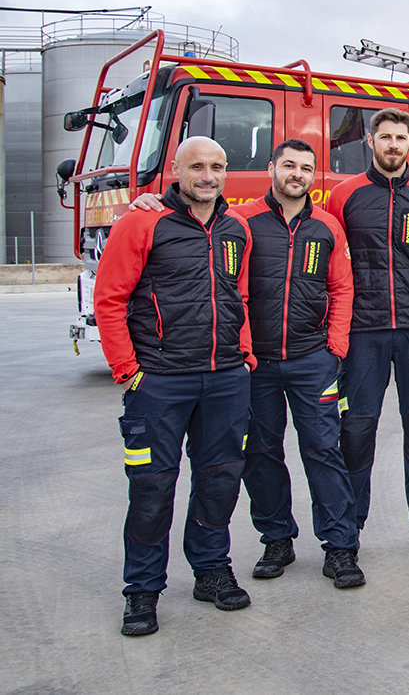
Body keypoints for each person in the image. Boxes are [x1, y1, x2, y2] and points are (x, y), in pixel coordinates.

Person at [131, 139, 364, 588]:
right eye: (289, 165)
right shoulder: (242, 222)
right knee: (259, 453)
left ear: (313, 175)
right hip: (254, 365)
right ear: (272, 168)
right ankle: (277, 538)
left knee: (323, 450)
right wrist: (147, 202)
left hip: (312, 361)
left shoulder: (328, 227)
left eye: (306, 167)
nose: (297, 173)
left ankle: (339, 546)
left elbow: (341, 288)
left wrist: (334, 347)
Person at [95, 136, 255, 636]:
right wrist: (128, 371)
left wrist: (244, 355)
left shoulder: (235, 230)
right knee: (151, 488)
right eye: (198, 167)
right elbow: (110, 299)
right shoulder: (141, 223)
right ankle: (142, 592)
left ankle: (210, 570)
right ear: (177, 171)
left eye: (217, 166)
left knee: (220, 480)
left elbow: (239, 296)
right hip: (160, 383)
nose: (208, 176)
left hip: (226, 378)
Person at [327, 108, 409, 555]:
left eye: (401, 138)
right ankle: (350, 527)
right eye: (385, 137)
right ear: (371, 141)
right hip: (363, 331)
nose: (393, 145)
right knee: (357, 430)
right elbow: (331, 263)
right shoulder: (343, 197)